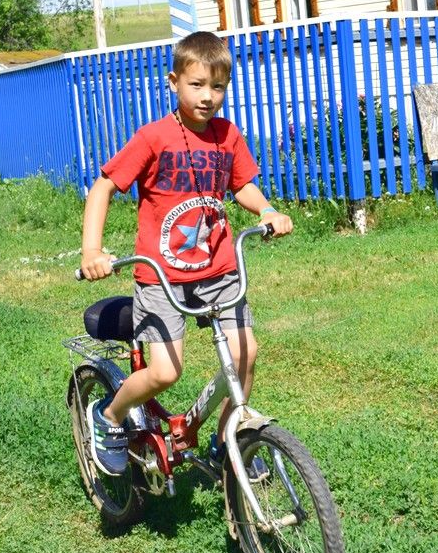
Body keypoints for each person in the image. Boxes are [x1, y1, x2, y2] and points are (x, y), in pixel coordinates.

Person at [79, 31, 293, 476]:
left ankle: (226, 442)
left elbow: (243, 185)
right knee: (164, 372)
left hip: (217, 268)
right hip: (161, 274)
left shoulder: (226, 135)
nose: (208, 96)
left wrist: (268, 209)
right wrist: (92, 250)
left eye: (217, 87)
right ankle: (109, 417)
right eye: (196, 85)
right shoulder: (154, 137)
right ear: (174, 81)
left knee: (245, 353)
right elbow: (103, 186)